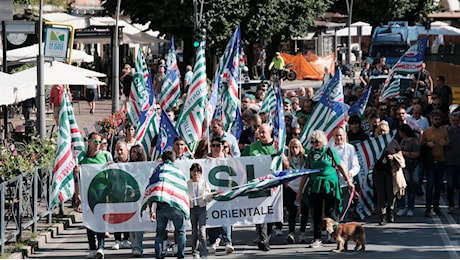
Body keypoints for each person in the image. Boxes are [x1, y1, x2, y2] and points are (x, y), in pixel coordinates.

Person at [296, 130, 354, 248]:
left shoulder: (330, 151)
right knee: (316, 212)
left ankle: (333, 234)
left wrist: (348, 181)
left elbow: (340, 166)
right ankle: (317, 238)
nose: (315, 144)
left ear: (322, 141)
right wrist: (300, 190)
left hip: (330, 184)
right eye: (312, 142)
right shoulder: (311, 154)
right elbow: (305, 173)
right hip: (315, 185)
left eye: (317, 141)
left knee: (330, 210)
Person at [74, 132, 112, 259]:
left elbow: (112, 175)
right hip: (87, 193)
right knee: (89, 221)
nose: (97, 144)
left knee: (100, 220)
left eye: (100, 142)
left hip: (102, 193)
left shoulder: (105, 156)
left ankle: (101, 247)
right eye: (95, 141)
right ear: (89, 142)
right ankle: (92, 247)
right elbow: (76, 178)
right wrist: (77, 193)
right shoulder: (82, 158)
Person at [243, 124, 278, 251]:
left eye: (264, 132)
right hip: (258, 185)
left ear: (270, 133)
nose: (261, 135)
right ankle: (263, 239)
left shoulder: (277, 146)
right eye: (260, 132)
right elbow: (241, 162)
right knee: (259, 212)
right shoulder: (253, 147)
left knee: (270, 213)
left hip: (274, 186)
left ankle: (266, 237)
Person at [150, 150, 188, 259]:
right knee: (180, 231)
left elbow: (151, 188)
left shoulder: (158, 171)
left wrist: (151, 210)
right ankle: (181, 255)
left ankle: (158, 255)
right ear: (174, 160)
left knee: (160, 233)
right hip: (175, 205)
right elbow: (183, 189)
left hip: (161, 205)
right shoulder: (177, 171)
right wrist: (185, 208)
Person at [372, 121, 402, 225]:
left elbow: (400, 154)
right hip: (378, 172)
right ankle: (382, 216)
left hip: (390, 172)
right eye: (380, 131)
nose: (382, 133)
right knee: (380, 194)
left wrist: (393, 157)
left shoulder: (393, 142)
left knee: (390, 194)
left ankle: (390, 210)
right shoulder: (374, 142)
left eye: (384, 131)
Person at [421, 110, 450, 217]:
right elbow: (421, 145)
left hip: (441, 161)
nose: (437, 121)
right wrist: (427, 144)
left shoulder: (444, 131)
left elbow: (448, 144)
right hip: (430, 162)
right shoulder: (427, 132)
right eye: (435, 119)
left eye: (439, 119)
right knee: (430, 185)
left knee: (438, 186)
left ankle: (436, 208)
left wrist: (445, 143)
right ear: (431, 120)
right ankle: (428, 208)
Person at [329, 126, 360, 222]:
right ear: (333, 136)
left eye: (340, 135)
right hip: (333, 184)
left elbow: (356, 166)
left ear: (344, 135)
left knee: (344, 209)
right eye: (336, 135)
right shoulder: (329, 149)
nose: (338, 138)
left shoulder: (350, 148)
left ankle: (343, 232)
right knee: (332, 208)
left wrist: (350, 173)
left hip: (346, 183)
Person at [282, 139, 310, 244]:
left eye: (296, 147)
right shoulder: (287, 160)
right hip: (291, 188)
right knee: (292, 211)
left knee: (304, 211)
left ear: (300, 147)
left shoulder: (306, 158)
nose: (294, 149)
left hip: (304, 187)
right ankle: (291, 232)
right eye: (292, 147)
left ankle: (302, 233)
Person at [187, 163, 213, 259]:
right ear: (191, 172)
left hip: (202, 209)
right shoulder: (188, 183)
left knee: (202, 231)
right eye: (194, 171)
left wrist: (209, 196)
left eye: (197, 171)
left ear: (200, 173)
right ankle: (195, 251)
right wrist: (187, 199)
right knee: (194, 232)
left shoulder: (204, 182)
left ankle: (204, 252)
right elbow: (185, 196)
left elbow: (209, 195)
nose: (195, 173)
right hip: (192, 209)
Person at [111, 141, 132, 251]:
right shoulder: (112, 163)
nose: (119, 152)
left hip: (129, 195)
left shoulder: (133, 162)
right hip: (116, 194)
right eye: (117, 150)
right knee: (117, 217)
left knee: (128, 215)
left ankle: (126, 239)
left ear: (126, 150)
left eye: (121, 149)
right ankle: (117, 240)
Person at [396, 124, 421, 217]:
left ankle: (410, 208)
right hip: (403, 167)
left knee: (411, 188)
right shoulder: (403, 140)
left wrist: (405, 153)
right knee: (402, 188)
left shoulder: (414, 141)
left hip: (413, 167)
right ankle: (401, 207)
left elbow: (417, 153)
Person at [129, 144, 147, 257]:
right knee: (131, 223)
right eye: (132, 152)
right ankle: (134, 244)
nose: (133, 154)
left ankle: (138, 246)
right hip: (130, 198)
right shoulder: (128, 166)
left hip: (140, 197)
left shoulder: (145, 166)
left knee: (139, 223)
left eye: (136, 152)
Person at [446, 112, 460, 214]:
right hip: (449, 163)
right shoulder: (446, 132)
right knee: (450, 185)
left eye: (457, 121)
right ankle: (451, 205)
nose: (455, 122)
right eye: (453, 121)